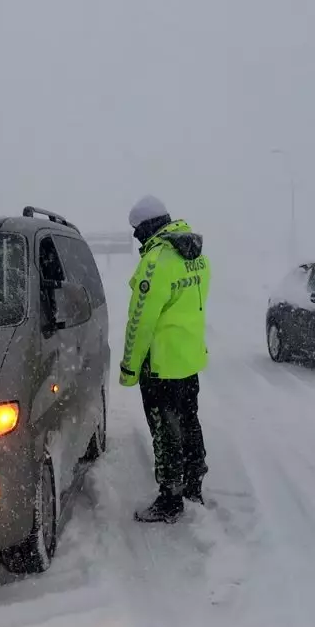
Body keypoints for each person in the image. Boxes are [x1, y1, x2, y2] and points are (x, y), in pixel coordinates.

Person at [119, 195, 211, 523]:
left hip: (161, 364)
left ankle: (170, 498)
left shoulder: (156, 262)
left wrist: (130, 367)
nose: (134, 237)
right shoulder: (194, 255)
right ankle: (193, 482)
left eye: (137, 230)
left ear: (149, 226)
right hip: (189, 358)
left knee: (165, 429)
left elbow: (140, 323)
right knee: (189, 420)